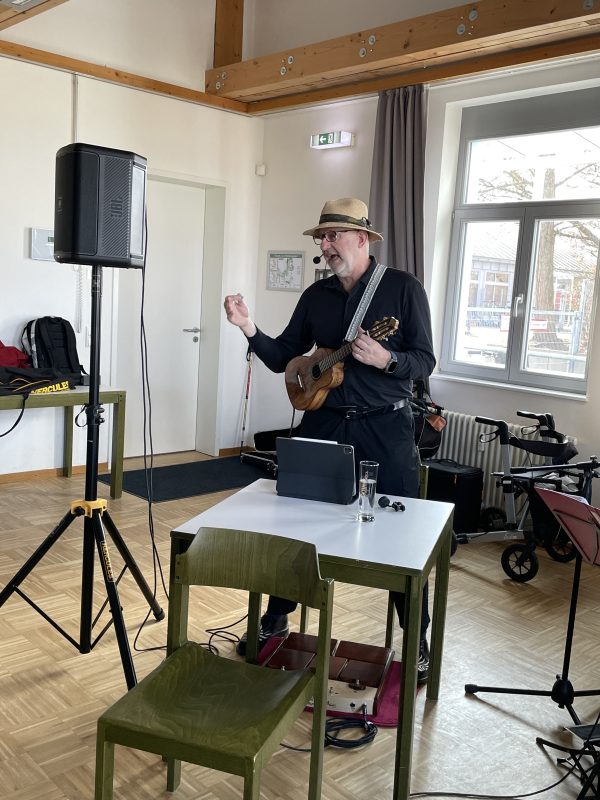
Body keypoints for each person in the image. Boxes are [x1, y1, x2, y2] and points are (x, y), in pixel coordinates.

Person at [224, 197, 436, 683]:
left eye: (333, 236)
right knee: (296, 523)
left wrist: (387, 360)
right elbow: (283, 357)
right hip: (324, 424)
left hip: (386, 428)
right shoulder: (316, 295)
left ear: (362, 238)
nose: (325, 245)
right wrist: (247, 327)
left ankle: (417, 640)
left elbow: (425, 360)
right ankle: (276, 618)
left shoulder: (402, 289)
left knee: (402, 536)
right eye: (321, 237)